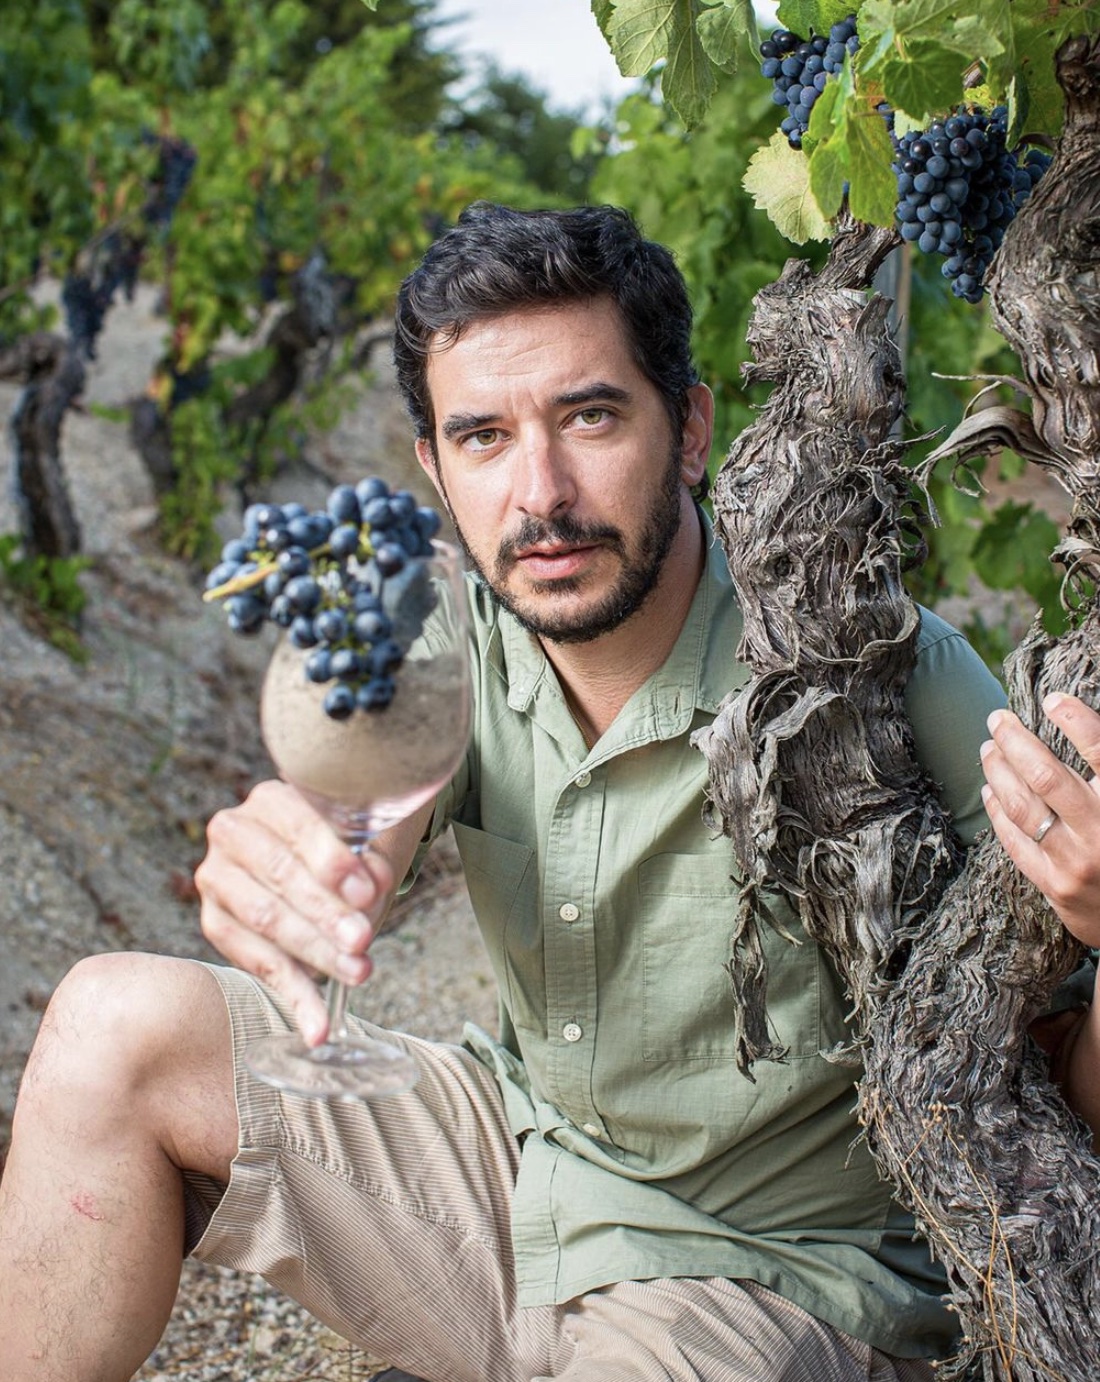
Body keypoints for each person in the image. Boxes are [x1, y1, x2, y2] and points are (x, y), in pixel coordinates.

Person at [1, 203, 1098, 1382]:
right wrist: (312, 847)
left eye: (587, 415)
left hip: (766, 1280)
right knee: (113, 1023)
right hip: (531, 1174)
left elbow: (1054, 1089)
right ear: (432, 467)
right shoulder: (446, 629)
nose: (540, 492)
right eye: (481, 436)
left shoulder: (882, 671)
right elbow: (364, 775)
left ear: (687, 430)